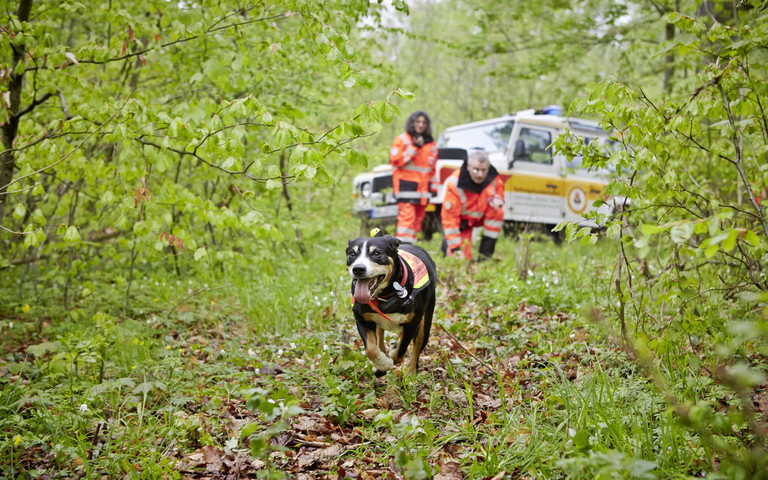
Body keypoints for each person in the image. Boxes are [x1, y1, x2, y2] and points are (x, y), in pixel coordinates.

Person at [441, 150, 504, 260]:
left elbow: (499, 191)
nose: (480, 175)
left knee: (497, 211)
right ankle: (447, 246)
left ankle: (486, 255)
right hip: (462, 223)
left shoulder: (493, 178)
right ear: (468, 166)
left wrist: (498, 199)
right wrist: (456, 249)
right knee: (460, 258)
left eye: (483, 170)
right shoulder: (455, 183)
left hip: (479, 217)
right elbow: (450, 220)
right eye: (476, 170)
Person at [389, 111, 439, 243]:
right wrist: (414, 148)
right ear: (412, 123)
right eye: (418, 122)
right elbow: (396, 160)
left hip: (423, 192)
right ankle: (402, 251)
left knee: (417, 223)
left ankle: (411, 251)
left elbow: (432, 169)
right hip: (406, 187)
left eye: (424, 122)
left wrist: (433, 189)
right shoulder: (402, 140)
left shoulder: (431, 144)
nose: (421, 125)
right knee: (406, 221)